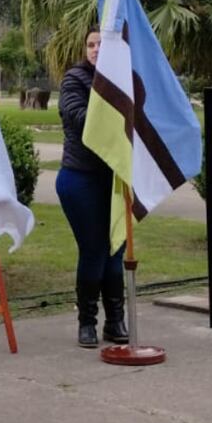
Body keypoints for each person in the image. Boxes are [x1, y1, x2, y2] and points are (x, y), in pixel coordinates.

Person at [56, 28, 129, 348]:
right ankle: (87, 323)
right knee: (95, 250)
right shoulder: (75, 79)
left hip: (114, 179)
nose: (96, 49)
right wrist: (117, 117)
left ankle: (115, 322)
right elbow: (78, 117)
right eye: (90, 44)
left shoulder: (125, 80)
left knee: (116, 250)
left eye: (101, 44)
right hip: (80, 178)